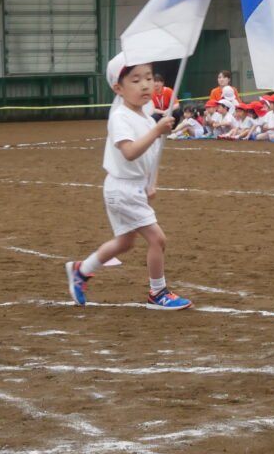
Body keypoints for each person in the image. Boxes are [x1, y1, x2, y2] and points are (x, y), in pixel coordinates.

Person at [65, 53, 191, 310]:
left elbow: (150, 157)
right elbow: (130, 151)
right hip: (122, 189)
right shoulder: (120, 117)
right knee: (157, 239)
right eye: (135, 80)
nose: (146, 85)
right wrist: (157, 130)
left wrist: (150, 182)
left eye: (148, 77)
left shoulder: (145, 116)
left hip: (130, 188)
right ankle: (158, 293)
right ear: (118, 88)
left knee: (125, 242)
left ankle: (81, 270)